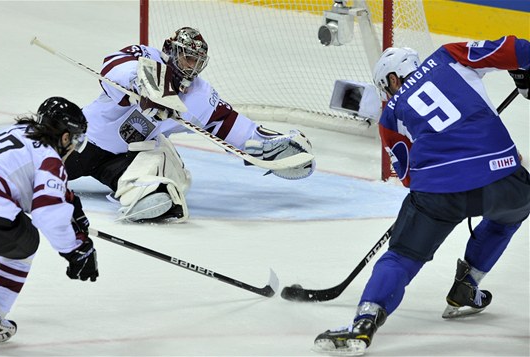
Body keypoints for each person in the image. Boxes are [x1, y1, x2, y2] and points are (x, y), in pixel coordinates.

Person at [313, 35, 530, 355]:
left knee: (401, 256)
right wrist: (523, 73)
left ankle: (364, 324)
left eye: (385, 88)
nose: (387, 95)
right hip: (505, 180)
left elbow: (408, 177)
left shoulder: (389, 117)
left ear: (392, 78)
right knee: (509, 215)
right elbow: (519, 48)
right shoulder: (449, 55)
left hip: (439, 192)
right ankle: (467, 285)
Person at [65, 27, 315, 223]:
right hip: (85, 141)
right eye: (187, 59)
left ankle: (146, 193)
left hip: (126, 158)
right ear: (170, 51)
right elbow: (110, 67)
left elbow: (228, 124)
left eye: (197, 61)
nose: (191, 67)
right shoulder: (144, 57)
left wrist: (265, 145)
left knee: (162, 161)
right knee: (39, 169)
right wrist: (145, 84)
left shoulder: (199, 95)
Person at [0, 97, 99, 347]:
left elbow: (21, 178)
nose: (74, 146)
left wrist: (69, 200)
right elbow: (46, 213)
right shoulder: (51, 159)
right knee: (24, 245)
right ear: (64, 137)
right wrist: (75, 249)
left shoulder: (18, 133)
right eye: (75, 139)